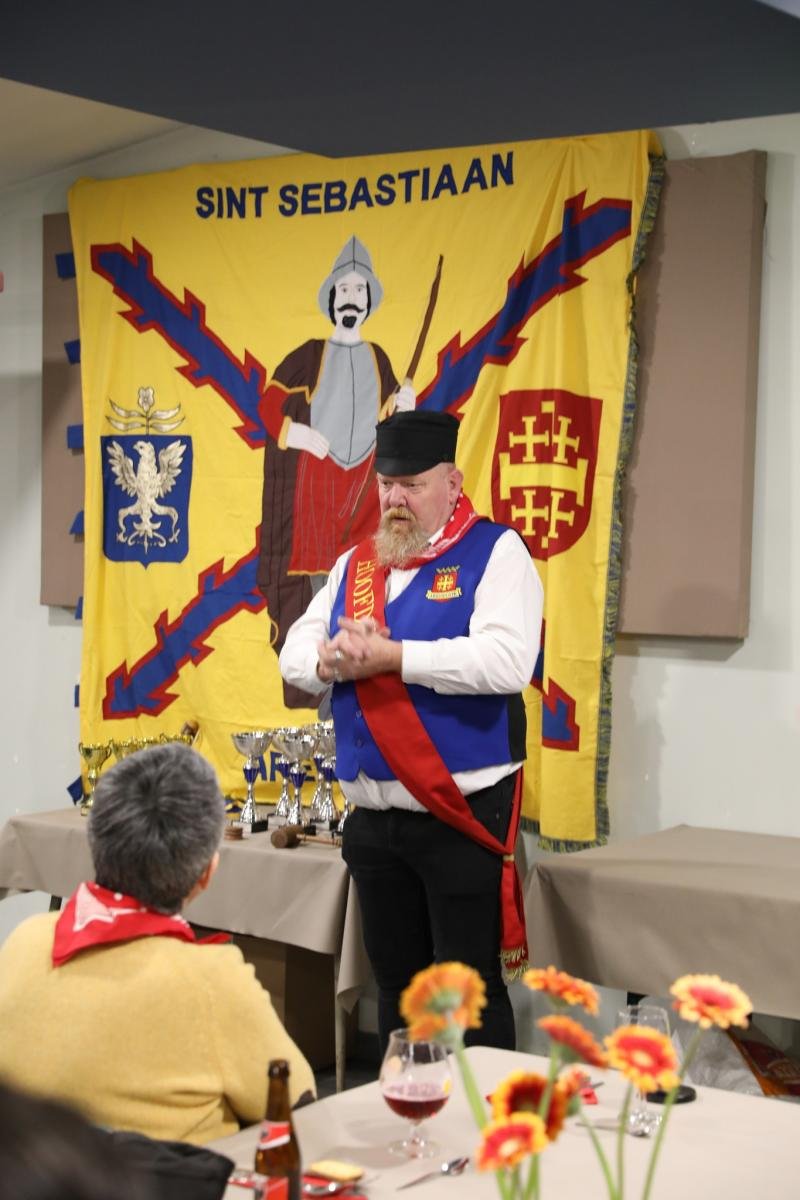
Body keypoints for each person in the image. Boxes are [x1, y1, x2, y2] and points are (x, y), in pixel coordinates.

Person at [280, 410, 543, 1051]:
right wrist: (329, 660)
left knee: (468, 991)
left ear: (452, 484)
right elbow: (295, 652)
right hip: (373, 821)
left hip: (459, 811)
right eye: (386, 485)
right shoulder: (354, 566)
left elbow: (507, 661)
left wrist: (396, 658)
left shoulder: (497, 552)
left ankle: (482, 1115)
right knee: (397, 987)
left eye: (412, 485)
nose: (395, 499)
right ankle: (408, 1105)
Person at [0, 742, 315, 1144]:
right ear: (207, 873)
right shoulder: (212, 980)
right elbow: (298, 1104)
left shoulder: (26, 939)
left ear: (96, 846)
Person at [257, 235, 414, 706]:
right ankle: (325, 701)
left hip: (365, 494)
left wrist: (405, 406)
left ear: (368, 301)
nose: (351, 298)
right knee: (318, 601)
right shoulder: (309, 355)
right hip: (318, 493)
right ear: (331, 298)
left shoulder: (378, 358)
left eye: (358, 291)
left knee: (365, 595)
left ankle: (362, 702)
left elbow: (391, 426)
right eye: (343, 290)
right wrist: (295, 434)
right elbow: (267, 405)